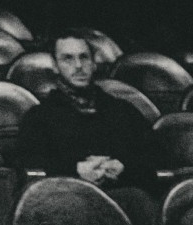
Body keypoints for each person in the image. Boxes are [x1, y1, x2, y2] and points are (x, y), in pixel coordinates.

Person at [13, 29, 160, 196]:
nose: (78, 66)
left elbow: (155, 153)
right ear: (55, 66)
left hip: (125, 196)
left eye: (84, 57)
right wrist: (75, 170)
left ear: (94, 63)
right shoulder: (39, 117)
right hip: (68, 201)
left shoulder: (122, 110)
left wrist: (123, 165)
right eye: (68, 59)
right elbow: (29, 164)